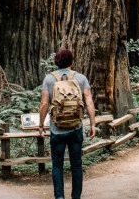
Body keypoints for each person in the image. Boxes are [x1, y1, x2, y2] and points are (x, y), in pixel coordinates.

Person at [39, 49, 97, 199]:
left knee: (57, 165)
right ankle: (76, 197)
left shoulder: (49, 79)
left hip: (56, 130)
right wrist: (92, 124)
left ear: (56, 62)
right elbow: (89, 102)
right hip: (76, 128)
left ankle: (59, 197)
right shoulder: (81, 78)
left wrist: (40, 125)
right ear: (72, 61)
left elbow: (44, 104)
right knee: (76, 165)